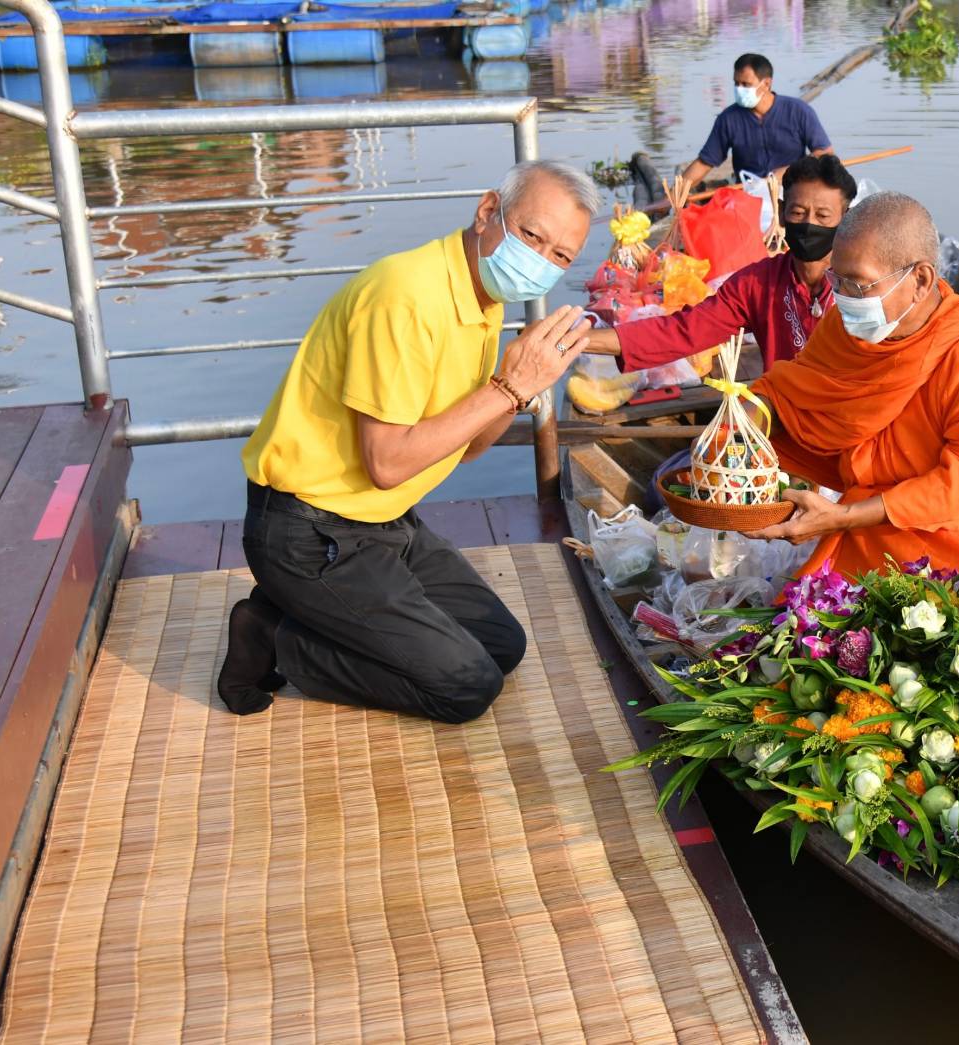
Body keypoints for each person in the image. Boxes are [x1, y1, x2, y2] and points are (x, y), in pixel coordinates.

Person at [217, 160, 602, 722]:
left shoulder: (481, 298)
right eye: (531, 236)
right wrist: (508, 386)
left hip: (385, 523)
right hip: (308, 532)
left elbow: (468, 447)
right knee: (466, 688)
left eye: (561, 256)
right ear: (488, 211)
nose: (541, 261)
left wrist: (519, 389)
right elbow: (388, 464)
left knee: (500, 646)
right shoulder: (405, 295)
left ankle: (326, 616)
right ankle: (272, 634)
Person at [745, 191, 959, 579]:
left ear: (920, 279)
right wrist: (742, 426)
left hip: (956, 547)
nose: (844, 298)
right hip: (861, 520)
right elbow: (790, 394)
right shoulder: (845, 327)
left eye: (859, 285)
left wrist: (843, 517)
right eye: (837, 280)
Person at [584, 153, 857, 372]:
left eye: (823, 216)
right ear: (782, 213)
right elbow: (683, 331)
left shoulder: (864, 285)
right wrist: (578, 341)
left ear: (846, 220)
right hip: (784, 413)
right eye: (798, 212)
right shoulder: (757, 283)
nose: (809, 224)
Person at [679, 53, 834, 192]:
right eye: (736, 83)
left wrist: (789, 171)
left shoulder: (798, 110)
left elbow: (824, 153)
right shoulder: (728, 118)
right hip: (748, 192)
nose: (739, 89)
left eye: (745, 84)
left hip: (793, 189)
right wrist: (674, 195)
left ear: (766, 84)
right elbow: (704, 163)